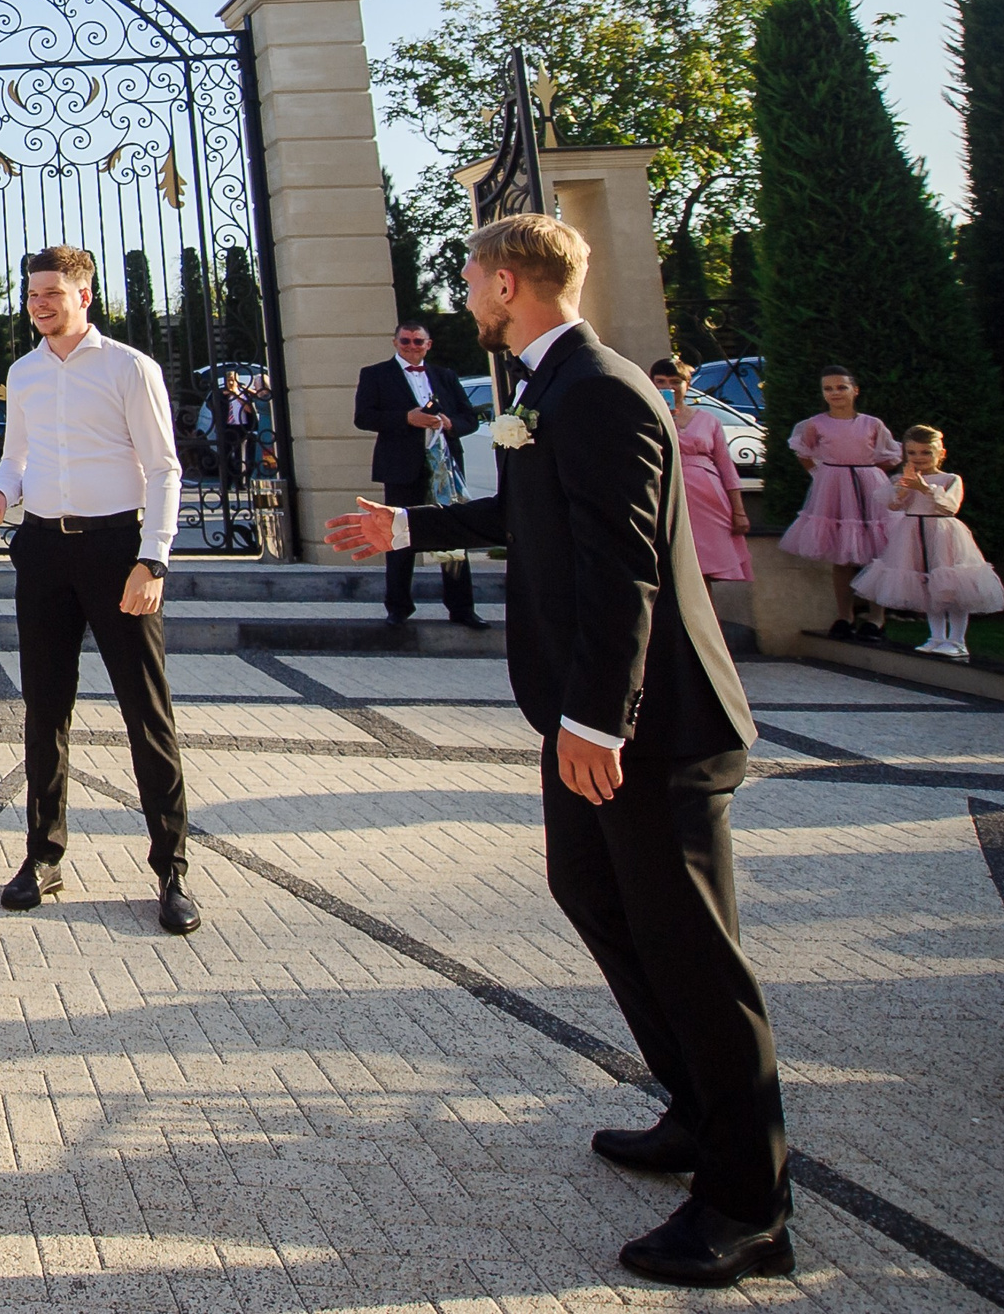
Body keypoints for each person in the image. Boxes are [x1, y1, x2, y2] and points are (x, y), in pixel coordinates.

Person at [324, 214, 790, 1290]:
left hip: (648, 728)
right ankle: (692, 1109)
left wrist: (598, 722)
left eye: (470, 279)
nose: (463, 295)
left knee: (694, 953)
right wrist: (406, 529)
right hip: (593, 717)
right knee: (592, 894)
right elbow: (531, 512)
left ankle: (747, 1205)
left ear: (504, 281)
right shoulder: (549, 387)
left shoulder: (602, 388)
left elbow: (625, 569)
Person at [0, 245, 198, 938]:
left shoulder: (130, 367)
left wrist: (152, 561)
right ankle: (44, 855)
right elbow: (19, 457)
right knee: (44, 708)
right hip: (42, 551)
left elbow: (164, 469)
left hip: (115, 551)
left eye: (52, 294)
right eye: (33, 294)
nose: (40, 304)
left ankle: (171, 868)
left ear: (84, 296)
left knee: (145, 711)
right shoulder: (25, 372)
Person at [352, 323, 487, 628]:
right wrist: (406, 418)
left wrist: (450, 424)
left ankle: (462, 608)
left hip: (445, 467)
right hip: (402, 467)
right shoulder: (375, 374)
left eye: (418, 341)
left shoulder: (445, 376)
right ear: (395, 342)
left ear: (429, 344)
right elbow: (363, 417)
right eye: (405, 341)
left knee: (453, 536)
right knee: (398, 535)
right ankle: (398, 608)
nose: (411, 346)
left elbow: (470, 419)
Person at [852, 424, 1004, 660]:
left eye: (926, 452)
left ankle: (957, 640)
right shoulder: (903, 479)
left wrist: (925, 488)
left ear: (940, 454)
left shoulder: (950, 479)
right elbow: (893, 505)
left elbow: (949, 506)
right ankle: (935, 636)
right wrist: (903, 491)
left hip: (943, 533)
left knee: (950, 585)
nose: (919, 458)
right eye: (912, 453)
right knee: (926, 585)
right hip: (912, 533)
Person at [777, 367, 900, 640]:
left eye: (841, 387)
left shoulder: (872, 424)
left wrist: (867, 473)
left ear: (855, 390)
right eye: (828, 389)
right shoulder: (816, 423)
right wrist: (820, 474)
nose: (835, 393)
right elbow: (803, 450)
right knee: (841, 556)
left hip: (868, 485)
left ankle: (876, 617)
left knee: (875, 553)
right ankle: (845, 615)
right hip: (832, 487)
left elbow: (889, 455)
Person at [652, 359, 754, 585]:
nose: (668, 387)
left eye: (675, 382)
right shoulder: (646, 419)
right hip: (668, 494)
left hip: (708, 498)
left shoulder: (709, 420)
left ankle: (706, 619)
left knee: (704, 567)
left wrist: (738, 510)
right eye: (661, 381)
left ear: (686, 385)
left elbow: (726, 467)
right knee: (673, 565)